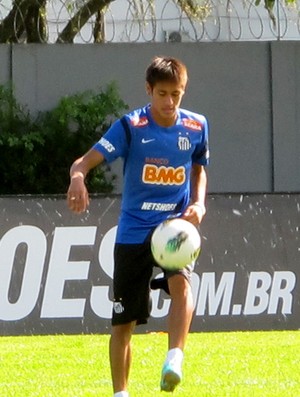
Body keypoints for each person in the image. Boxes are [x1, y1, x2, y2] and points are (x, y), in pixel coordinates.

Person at [67, 56, 209, 397]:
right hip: (133, 231)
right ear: (149, 90)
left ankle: (174, 358)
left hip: (173, 229)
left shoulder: (196, 126)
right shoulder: (132, 126)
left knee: (182, 286)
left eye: (177, 94)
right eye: (162, 93)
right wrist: (77, 178)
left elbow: (199, 167)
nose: (170, 102)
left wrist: (199, 202)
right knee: (123, 323)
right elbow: (84, 161)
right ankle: (121, 393)